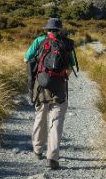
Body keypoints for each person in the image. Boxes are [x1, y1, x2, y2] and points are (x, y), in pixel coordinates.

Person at [24, 17, 78, 170]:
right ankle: (52, 158)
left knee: (40, 116)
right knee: (56, 121)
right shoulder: (65, 43)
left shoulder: (40, 40)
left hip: (41, 85)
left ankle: (37, 149)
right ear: (60, 29)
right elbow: (70, 67)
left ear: (47, 29)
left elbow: (26, 58)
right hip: (59, 87)